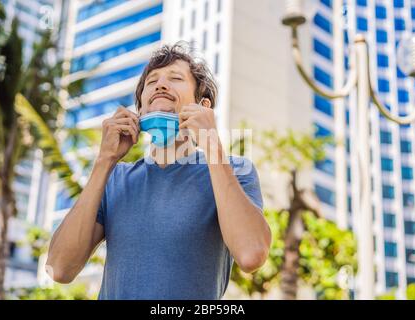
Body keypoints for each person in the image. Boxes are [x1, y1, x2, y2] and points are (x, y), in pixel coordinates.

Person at [46, 43, 272, 300]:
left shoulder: (234, 171)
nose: (161, 85)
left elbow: (252, 254)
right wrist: (104, 161)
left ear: (203, 105)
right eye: (152, 82)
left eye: (175, 78)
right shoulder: (115, 179)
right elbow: (59, 269)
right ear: (140, 110)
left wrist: (211, 144)